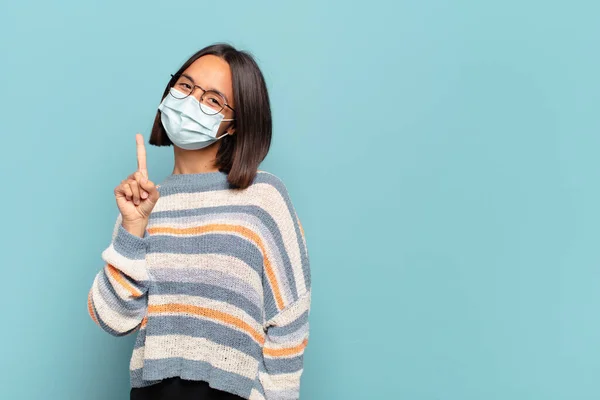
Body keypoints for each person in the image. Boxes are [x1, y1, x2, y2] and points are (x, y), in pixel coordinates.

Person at [87, 43, 311, 400]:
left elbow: (289, 319)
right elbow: (113, 320)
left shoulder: (263, 197)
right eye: (186, 86)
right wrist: (132, 228)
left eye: (212, 100)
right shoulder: (144, 204)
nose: (191, 101)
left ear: (236, 124)